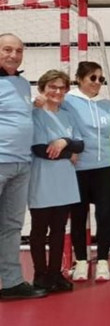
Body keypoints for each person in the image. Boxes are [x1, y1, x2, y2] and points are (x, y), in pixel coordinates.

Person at [0, 33, 46, 301]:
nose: (13, 55)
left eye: (18, 50)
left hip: (21, 164)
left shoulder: (21, 83)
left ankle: (12, 282)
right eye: (7, 49)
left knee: (12, 226)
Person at [29, 70, 84, 293]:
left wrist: (63, 141)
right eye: (53, 87)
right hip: (42, 179)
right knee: (39, 230)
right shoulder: (35, 114)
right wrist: (67, 153)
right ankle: (40, 275)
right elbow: (41, 149)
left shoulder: (68, 115)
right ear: (43, 89)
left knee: (59, 229)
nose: (58, 91)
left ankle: (55, 273)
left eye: (62, 87)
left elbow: (80, 144)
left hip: (64, 182)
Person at [63, 61, 110, 282]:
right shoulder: (68, 102)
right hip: (78, 168)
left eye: (100, 79)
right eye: (92, 78)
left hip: (105, 167)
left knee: (104, 215)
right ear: (79, 78)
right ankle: (82, 262)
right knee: (78, 215)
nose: (97, 83)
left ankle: (103, 260)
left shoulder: (107, 105)